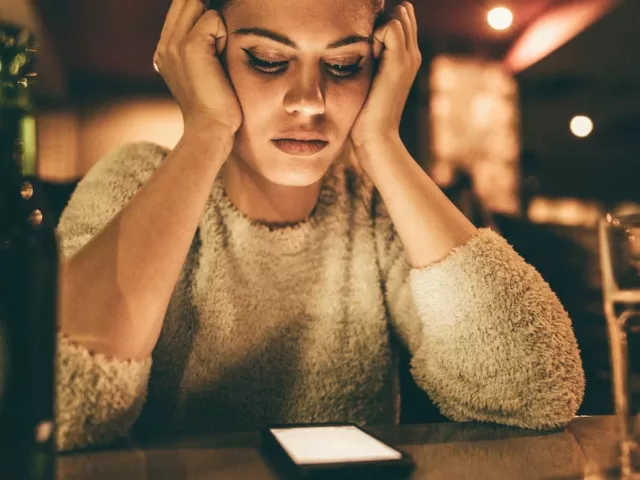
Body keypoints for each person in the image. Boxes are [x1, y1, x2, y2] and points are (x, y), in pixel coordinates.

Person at [55, 0, 585, 452]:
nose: (308, 100)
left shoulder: (376, 209)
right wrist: (206, 130)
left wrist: (381, 143)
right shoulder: (138, 178)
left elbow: (537, 390)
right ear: (207, 61)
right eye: (267, 61)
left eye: (344, 65)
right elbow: (62, 404)